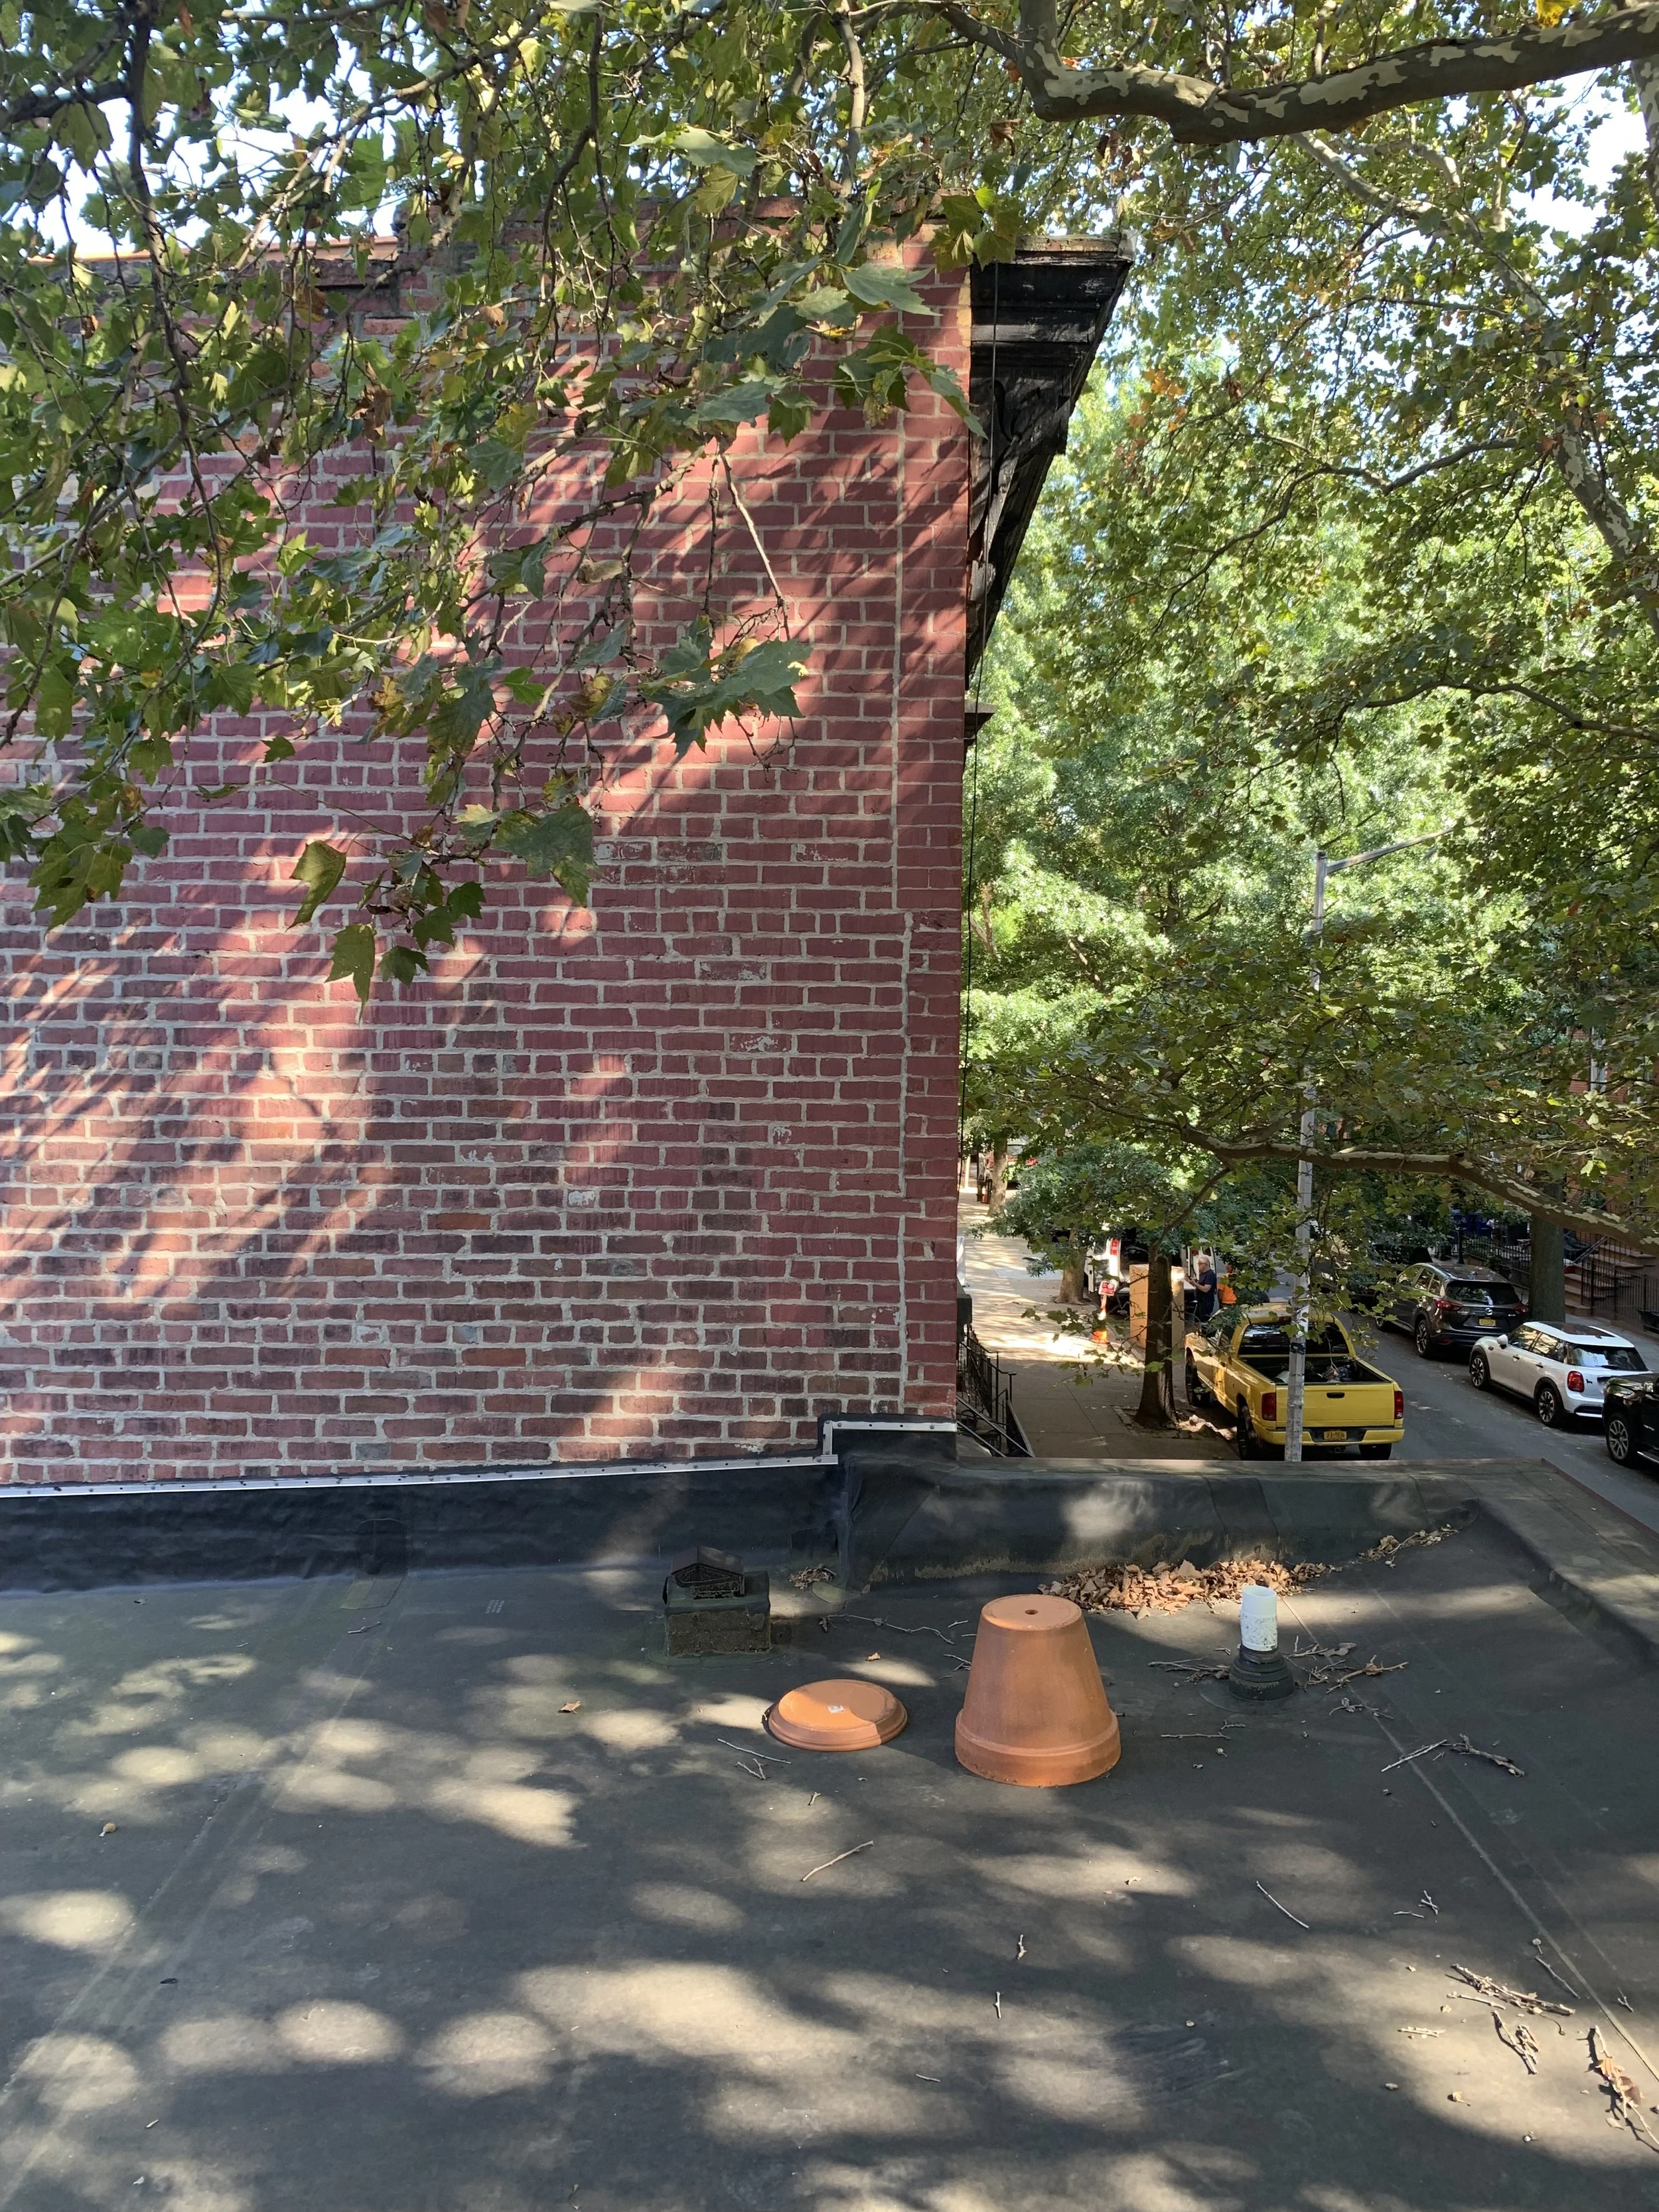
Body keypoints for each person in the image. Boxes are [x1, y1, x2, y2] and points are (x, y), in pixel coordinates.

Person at [1192, 1252, 1218, 1324]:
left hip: (1206, 1302)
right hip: (1200, 1301)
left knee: (1204, 1320)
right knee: (1197, 1319)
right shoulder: (1202, 1274)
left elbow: (1206, 1289)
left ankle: (1204, 1333)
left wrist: (1195, 1283)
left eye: (1199, 1264)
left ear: (1205, 1264)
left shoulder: (1210, 1275)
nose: (1198, 1265)